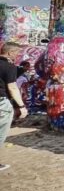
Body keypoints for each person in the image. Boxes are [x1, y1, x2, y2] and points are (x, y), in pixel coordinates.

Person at [0, 43, 27, 171]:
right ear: (10, 53)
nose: (18, 56)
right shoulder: (9, 66)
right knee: (1, 132)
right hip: (1, 103)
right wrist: (21, 106)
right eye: (17, 53)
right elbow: (12, 87)